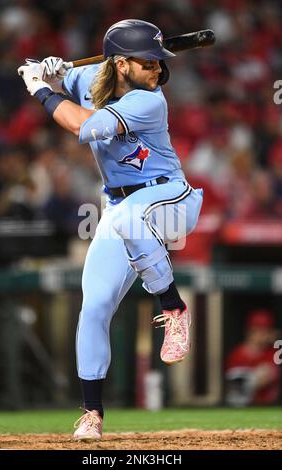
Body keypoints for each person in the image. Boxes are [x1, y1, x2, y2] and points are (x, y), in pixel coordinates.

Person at [18, 19, 203, 439]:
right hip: (120, 206)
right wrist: (48, 68)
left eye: (159, 60)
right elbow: (66, 74)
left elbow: (82, 125)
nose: (158, 68)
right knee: (95, 304)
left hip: (169, 198)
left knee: (127, 218)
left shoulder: (150, 101)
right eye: (149, 60)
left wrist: (41, 90)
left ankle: (174, 309)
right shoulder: (89, 75)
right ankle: (92, 413)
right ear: (119, 63)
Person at [225, 309, 280, 407]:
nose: (264, 335)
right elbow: (233, 385)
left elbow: (268, 376)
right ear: (250, 331)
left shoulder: (273, 353)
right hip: (240, 406)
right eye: (259, 331)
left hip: (267, 406)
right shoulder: (237, 354)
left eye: (267, 331)